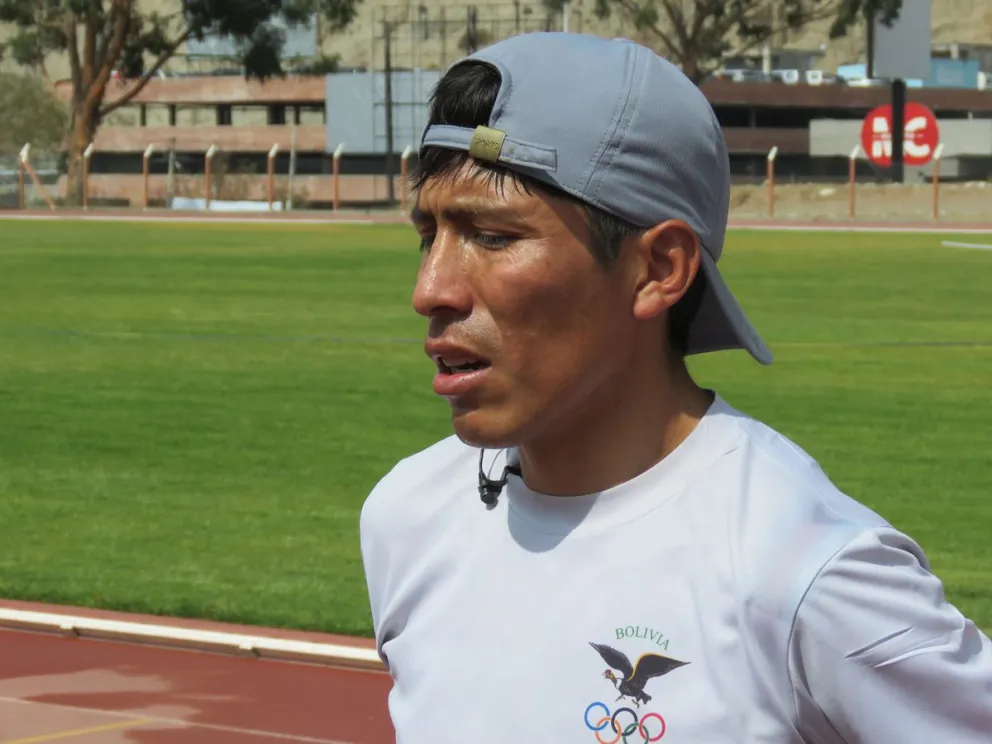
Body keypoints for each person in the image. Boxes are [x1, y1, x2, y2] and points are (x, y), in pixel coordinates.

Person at [358, 31, 992, 743]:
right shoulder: (406, 517)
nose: (430, 289)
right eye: (430, 234)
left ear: (659, 268)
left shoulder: (802, 572)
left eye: (492, 235)